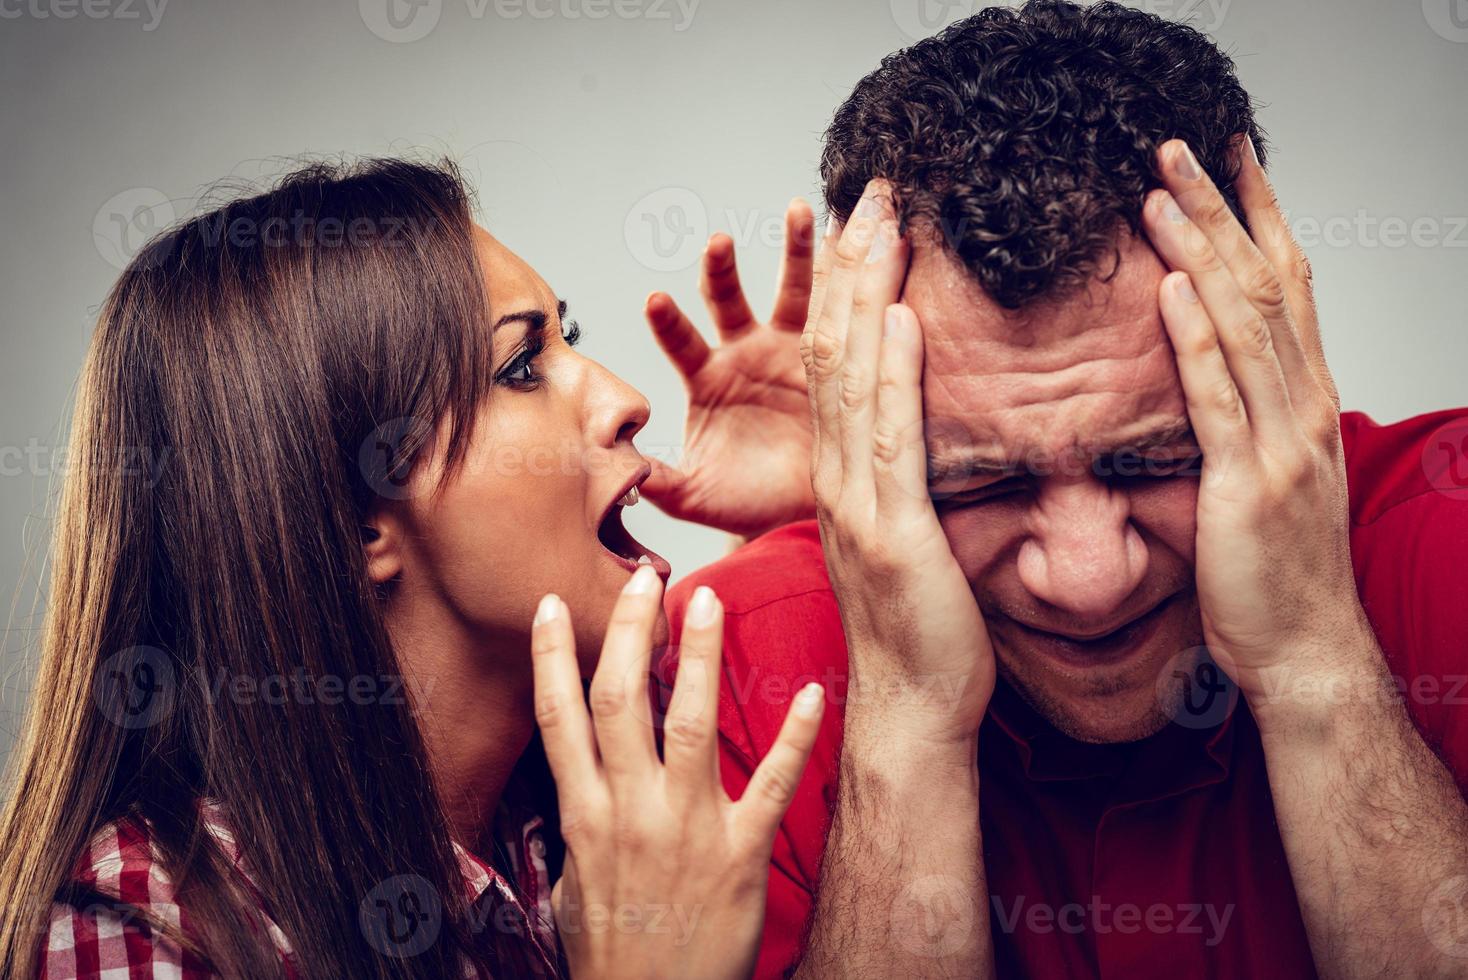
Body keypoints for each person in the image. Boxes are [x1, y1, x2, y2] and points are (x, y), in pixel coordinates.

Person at [662, 3, 1468, 977]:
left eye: (1160, 461)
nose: (1087, 579)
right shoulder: (737, 656)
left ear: (1273, 351)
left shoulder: (1444, 543)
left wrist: (1313, 651)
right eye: (979, 480)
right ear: (867, 423)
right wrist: (908, 709)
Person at [0, 157, 829, 979]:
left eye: (567, 339)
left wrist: (816, 515)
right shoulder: (143, 921)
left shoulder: (587, 785)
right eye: (522, 369)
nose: (626, 400)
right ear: (359, 524)